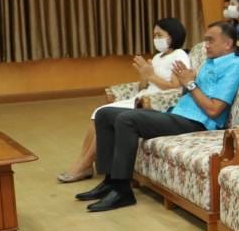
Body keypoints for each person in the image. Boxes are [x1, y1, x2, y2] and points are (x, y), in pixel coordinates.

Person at [78, 22, 239, 213]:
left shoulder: (234, 65)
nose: (205, 45)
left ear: (228, 43)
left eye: (210, 40)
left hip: (197, 123)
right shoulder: (208, 63)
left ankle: (123, 189)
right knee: (104, 114)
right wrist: (185, 82)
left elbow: (214, 110)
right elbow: (188, 89)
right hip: (177, 114)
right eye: (205, 40)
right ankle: (109, 181)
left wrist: (189, 84)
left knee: (126, 119)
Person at [59, 18, 191, 183]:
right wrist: (144, 74)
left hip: (158, 102)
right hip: (143, 96)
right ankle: (82, 162)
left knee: (104, 115)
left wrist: (151, 74)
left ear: (173, 35)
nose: (156, 39)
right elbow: (143, 86)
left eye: (160, 34)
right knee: (98, 114)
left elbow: (176, 87)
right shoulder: (158, 57)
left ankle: (84, 165)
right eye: (154, 35)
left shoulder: (179, 55)